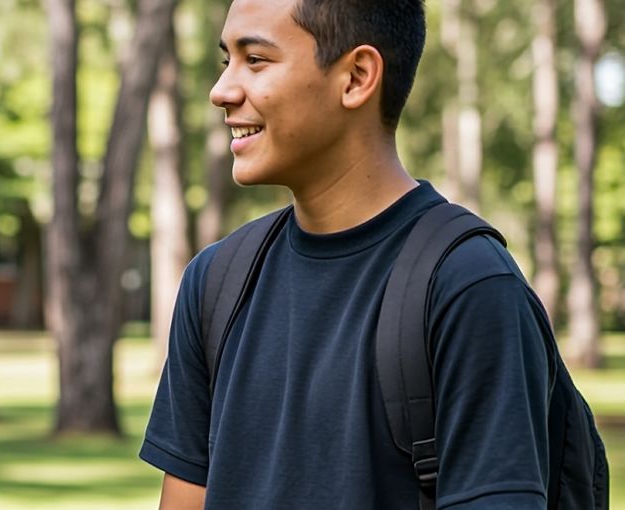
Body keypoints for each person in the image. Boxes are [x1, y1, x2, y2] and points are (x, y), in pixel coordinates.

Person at [141, 0, 553, 508]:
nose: (221, 90)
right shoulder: (215, 280)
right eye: (226, 59)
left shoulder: (468, 286)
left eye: (256, 60)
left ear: (357, 77)